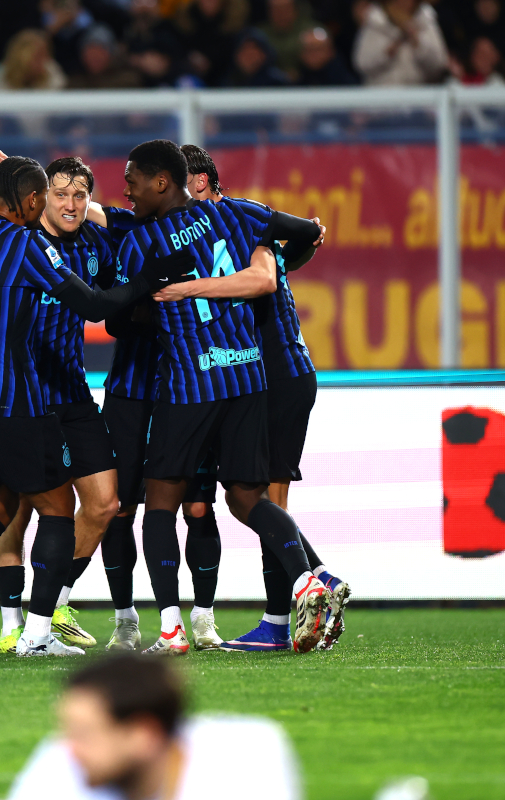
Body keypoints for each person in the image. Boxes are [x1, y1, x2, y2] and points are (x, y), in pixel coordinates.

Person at [0, 156, 193, 658]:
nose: (69, 203)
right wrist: (151, 279)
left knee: (63, 503)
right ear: (36, 201)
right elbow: (96, 307)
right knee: (39, 510)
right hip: (15, 395)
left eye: (80, 195)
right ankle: (24, 629)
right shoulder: (28, 246)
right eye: (54, 194)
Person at [115, 139, 330, 655]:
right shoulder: (235, 216)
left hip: (189, 384)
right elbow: (289, 250)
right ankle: (308, 583)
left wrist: (147, 298)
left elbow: (121, 318)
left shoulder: (141, 241)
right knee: (247, 498)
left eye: (133, 181)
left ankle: (170, 631)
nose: (127, 191)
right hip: (248, 378)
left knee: (161, 504)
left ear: (162, 182)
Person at [171, 144, 351, 652]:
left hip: (276, 377)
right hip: (277, 375)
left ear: (201, 181)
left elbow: (265, 277)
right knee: (251, 497)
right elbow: (306, 238)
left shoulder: (242, 225)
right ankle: (317, 581)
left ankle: (281, 615)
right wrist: (310, 235)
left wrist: (186, 291)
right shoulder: (233, 229)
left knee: (262, 498)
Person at [9, 654, 301, 800]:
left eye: (85, 734)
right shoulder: (56, 767)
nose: (69, 749)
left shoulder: (246, 759)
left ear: (144, 735)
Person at [352, 0, 448, 86]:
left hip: (419, 96)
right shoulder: (375, 22)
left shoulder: (426, 21)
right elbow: (362, 63)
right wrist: (387, 53)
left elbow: (439, 63)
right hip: (381, 97)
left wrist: (418, 43)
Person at [0, 28, 67, 91]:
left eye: (46, 54)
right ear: (22, 57)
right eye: (38, 56)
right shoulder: (3, 74)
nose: (45, 59)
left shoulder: (51, 69)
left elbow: (54, 102)